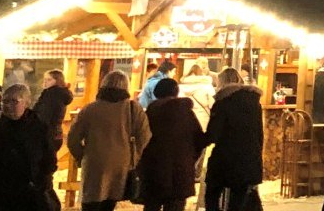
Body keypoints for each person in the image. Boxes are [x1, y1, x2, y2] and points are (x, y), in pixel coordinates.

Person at [67, 71, 151, 211]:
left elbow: (73, 139)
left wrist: (81, 156)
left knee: (91, 203)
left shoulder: (90, 109)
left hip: (94, 163)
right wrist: (133, 157)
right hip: (121, 163)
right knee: (110, 203)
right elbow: (145, 135)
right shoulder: (132, 109)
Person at [201, 69, 264, 211]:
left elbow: (213, 133)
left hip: (225, 157)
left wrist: (198, 141)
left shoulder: (222, 102)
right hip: (249, 157)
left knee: (212, 192)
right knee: (238, 199)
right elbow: (260, 134)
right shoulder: (254, 103)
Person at [135, 79, 198, 211]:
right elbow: (199, 139)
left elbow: (142, 138)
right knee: (175, 205)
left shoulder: (151, 113)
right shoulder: (186, 112)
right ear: (176, 92)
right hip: (181, 169)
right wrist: (190, 158)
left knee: (152, 204)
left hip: (153, 168)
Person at [32, 71, 73, 157]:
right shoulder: (59, 94)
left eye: (49, 79)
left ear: (57, 81)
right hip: (56, 134)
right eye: (45, 79)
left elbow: (44, 116)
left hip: (47, 136)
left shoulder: (52, 95)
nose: (45, 82)